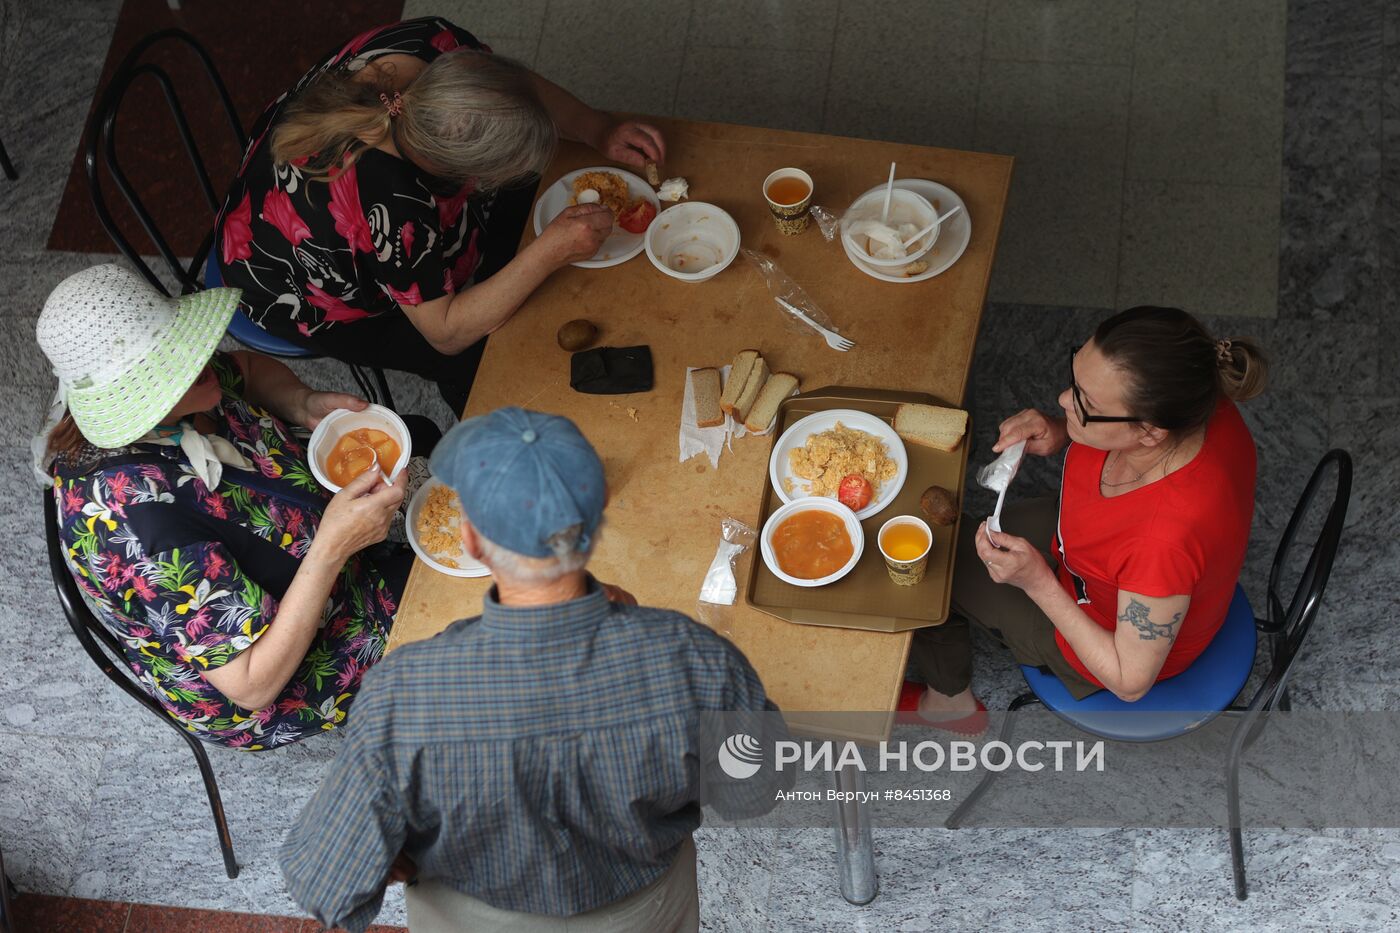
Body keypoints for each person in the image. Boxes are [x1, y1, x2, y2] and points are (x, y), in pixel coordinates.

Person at [280, 408, 788, 933]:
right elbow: (756, 790)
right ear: (598, 514)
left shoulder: (402, 693)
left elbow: (326, 885)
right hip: (643, 911)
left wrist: (395, 849)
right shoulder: (695, 658)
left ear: (471, 540)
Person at [37, 264, 408, 749]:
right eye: (173, 365)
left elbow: (247, 371)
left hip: (326, 553)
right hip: (291, 667)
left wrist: (301, 402)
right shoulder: (141, 533)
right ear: (138, 401)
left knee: (423, 441)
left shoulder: (187, 385)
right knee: (467, 617)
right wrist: (333, 548)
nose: (200, 357)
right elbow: (253, 685)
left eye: (184, 345)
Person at [216, 17, 667, 414]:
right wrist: (549, 252)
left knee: (522, 217)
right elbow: (445, 333)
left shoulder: (436, 45)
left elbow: (516, 89)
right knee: (477, 358)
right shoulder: (396, 205)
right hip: (294, 285)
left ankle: (487, 277)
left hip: (332, 207)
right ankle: (475, 412)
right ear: (461, 176)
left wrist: (594, 127)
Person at [906, 306, 1269, 730]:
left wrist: (1038, 582)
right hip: (1084, 550)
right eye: (1075, 380)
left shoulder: (1161, 544)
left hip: (1102, 635)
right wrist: (1062, 429)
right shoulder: (1196, 398)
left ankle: (949, 704)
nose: (1064, 399)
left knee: (925, 565)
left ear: (1150, 431)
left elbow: (1129, 681)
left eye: (1085, 402)